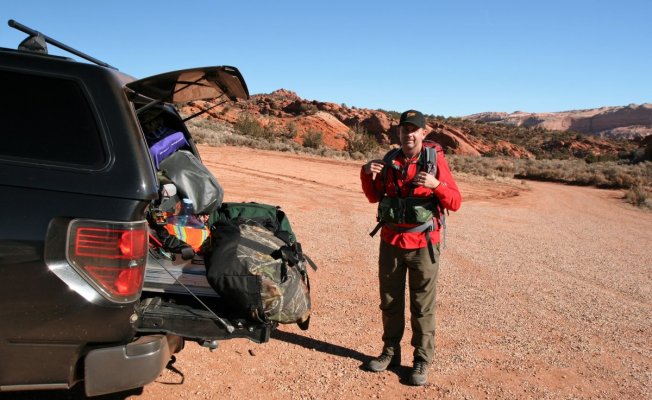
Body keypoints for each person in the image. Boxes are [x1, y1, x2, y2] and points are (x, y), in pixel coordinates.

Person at [360, 109, 462, 386]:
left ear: (423, 133)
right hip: (391, 242)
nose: (409, 134)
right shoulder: (390, 160)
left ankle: (421, 359)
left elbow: (455, 201)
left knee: (422, 305)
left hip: (424, 244)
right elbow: (373, 197)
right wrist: (366, 173)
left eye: (414, 129)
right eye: (404, 129)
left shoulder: (434, 161)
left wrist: (436, 184)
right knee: (390, 302)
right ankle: (390, 352)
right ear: (399, 133)